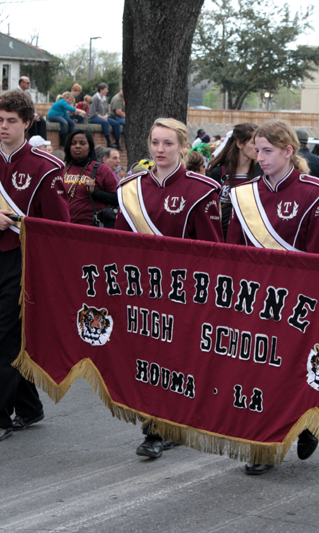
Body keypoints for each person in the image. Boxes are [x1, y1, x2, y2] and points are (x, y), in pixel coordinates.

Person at [226, 119, 319, 475]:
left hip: (296, 303)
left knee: (291, 373)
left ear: (289, 151)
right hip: (252, 299)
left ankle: (307, 423)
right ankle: (263, 445)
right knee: (257, 372)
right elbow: (231, 251)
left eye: (268, 150)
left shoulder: (314, 193)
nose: (260, 157)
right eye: (257, 150)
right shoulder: (244, 193)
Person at [0, 89, 70, 443]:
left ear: (27, 123)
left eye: (11, 121)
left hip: (26, 260)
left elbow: (60, 228)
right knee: (1, 330)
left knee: (7, 338)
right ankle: (29, 407)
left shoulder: (46, 168)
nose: (3, 127)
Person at [115, 117, 222, 459]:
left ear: (182, 147)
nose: (160, 150)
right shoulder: (130, 188)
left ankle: (165, 427)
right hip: (141, 290)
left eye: (168, 144)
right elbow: (117, 242)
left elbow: (212, 251)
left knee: (175, 360)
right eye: (155, 143)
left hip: (182, 292)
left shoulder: (202, 190)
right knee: (148, 358)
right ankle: (156, 428)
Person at [208, 123, 259, 236]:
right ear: (240, 143)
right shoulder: (218, 173)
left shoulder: (261, 173)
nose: (258, 148)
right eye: (254, 143)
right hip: (222, 235)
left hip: (250, 236)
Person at [62, 129, 119, 226]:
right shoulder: (62, 169)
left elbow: (117, 198)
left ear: (89, 147)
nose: (77, 146)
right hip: (65, 226)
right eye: (73, 143)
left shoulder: (102, 169)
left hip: (91, 227)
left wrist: (95, 192)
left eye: (82, 143)